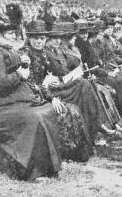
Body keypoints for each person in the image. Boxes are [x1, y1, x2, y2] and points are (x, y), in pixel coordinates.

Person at [0, 24, 63, 181]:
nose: (14, 36)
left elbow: (7, 67)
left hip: (2, 100)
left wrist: (19, 60)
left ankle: (46, 166)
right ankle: (30, 172)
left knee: (44, 110)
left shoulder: (1, 49)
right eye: (10, 33)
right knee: (34, 117)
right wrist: (20, 75)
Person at [17, 20, 93, 161]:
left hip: (43, 92)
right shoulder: (25, 55)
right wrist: (51, 97)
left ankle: (71, 152)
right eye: (35, 38)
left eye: (42, 38)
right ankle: (65, 153)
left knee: (72, 109)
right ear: (29, 38)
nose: (39, 41)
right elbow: (29, 83)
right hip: (29, 96)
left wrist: (49, 79)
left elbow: (45, 75)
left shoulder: (41, 53)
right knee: (66, 109)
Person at [43, 29, 117, 141]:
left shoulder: (57, 51)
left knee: (86, 85)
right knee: (85, 85)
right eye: (54, 38)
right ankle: (97, 126)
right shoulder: (46, 53)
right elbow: (45, 77)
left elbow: (64, 71)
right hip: (54, 89)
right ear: (47, 39)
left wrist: (73, 74)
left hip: (64, 84)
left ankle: (96, 126)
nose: (58, 41)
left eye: (59, 38)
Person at [75, 27, 122, 116]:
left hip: (102, 69)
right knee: (118, 80)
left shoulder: (94, 44)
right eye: (82, 34)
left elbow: (103, 59)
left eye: (86, 33)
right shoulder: (82, 47)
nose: (85, 36)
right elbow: (91, 66)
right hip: (94, 74)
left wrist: (112, 68)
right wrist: (106, 72)